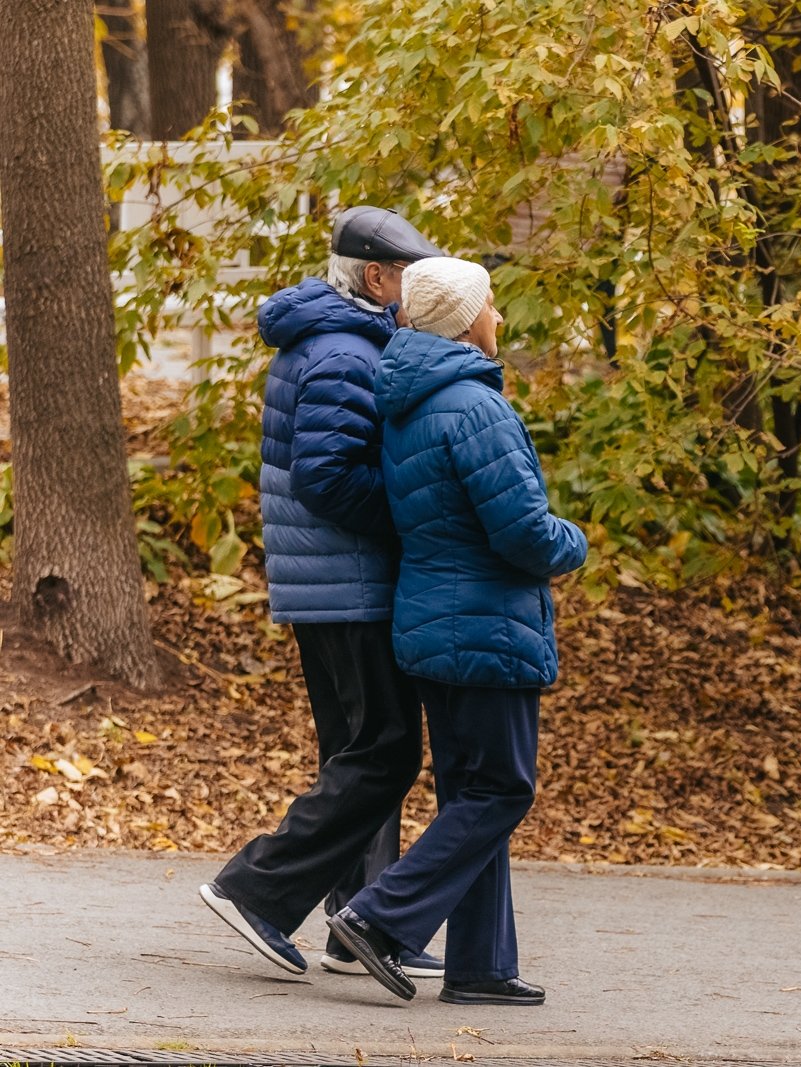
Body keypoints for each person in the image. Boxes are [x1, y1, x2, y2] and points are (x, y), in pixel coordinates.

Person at [326, 256, 587, 1006]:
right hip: (484, 625)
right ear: (467, 318)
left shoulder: (411, 399)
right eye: (492, 306)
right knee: (501, 789)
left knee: (470, 795)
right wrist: (574, 538)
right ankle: (377, 918)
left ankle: (481, 964)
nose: (499, 319)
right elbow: (523, 533)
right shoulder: (475, 406)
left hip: (433, 621)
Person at [199, 208, 448, 981]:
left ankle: (358, 923)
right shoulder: (343, 351)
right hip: (350, 582)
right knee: (386, 749)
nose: (419, 289)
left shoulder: (337, 338)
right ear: (376, 278)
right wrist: (409, 509)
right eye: (411, 275)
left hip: (328, 581)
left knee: (358, 750)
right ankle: (258, 890)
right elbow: (330, 476)